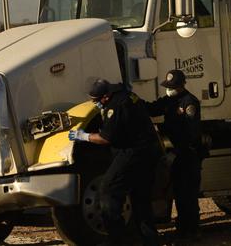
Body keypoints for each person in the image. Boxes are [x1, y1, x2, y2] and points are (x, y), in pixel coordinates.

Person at [68, 79, 161, 246]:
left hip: (133, 152)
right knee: (140, 198)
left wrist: (83, 136)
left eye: (96, 101)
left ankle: (116, 240)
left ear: (105, 97)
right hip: (148, 151)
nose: (94, 104)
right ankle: (149, 240)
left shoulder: (115, 106)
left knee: (108, 190)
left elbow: (105, 138)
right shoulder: (126, 95)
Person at [146, 69, 203, 241]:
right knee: (178, 191)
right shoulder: (169, 100)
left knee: (189, 194)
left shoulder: (189, 103)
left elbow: (190, 132)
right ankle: (182, 227)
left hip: (189, 153)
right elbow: (152, 108)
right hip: (178, 153)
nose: (169, 90)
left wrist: (177, 149)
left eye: (173, 87)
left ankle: (192, 230)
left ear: (181, 85)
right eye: (169, 87)